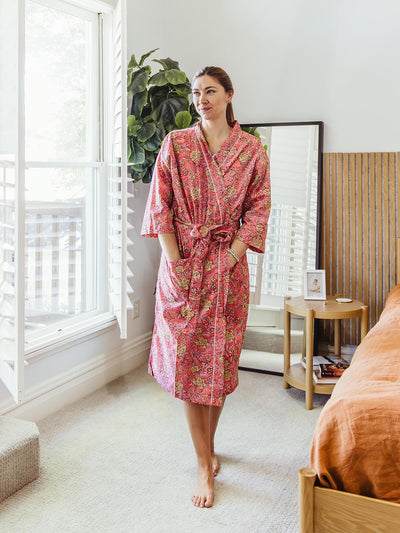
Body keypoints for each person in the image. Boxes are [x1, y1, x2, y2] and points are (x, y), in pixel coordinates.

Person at [141, 66, 271, 508]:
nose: (202, 99)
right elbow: (161, 206)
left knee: (216, 364)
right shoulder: (176, 145)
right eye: (196, 92)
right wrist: (176, 262)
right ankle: (202, 464)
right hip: (183, 264)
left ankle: (209, 449)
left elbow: (257, 209)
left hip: (227, 268)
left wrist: (233, 256)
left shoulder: (252, 150)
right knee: (188, 363)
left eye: (211, 91)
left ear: (229, 95)